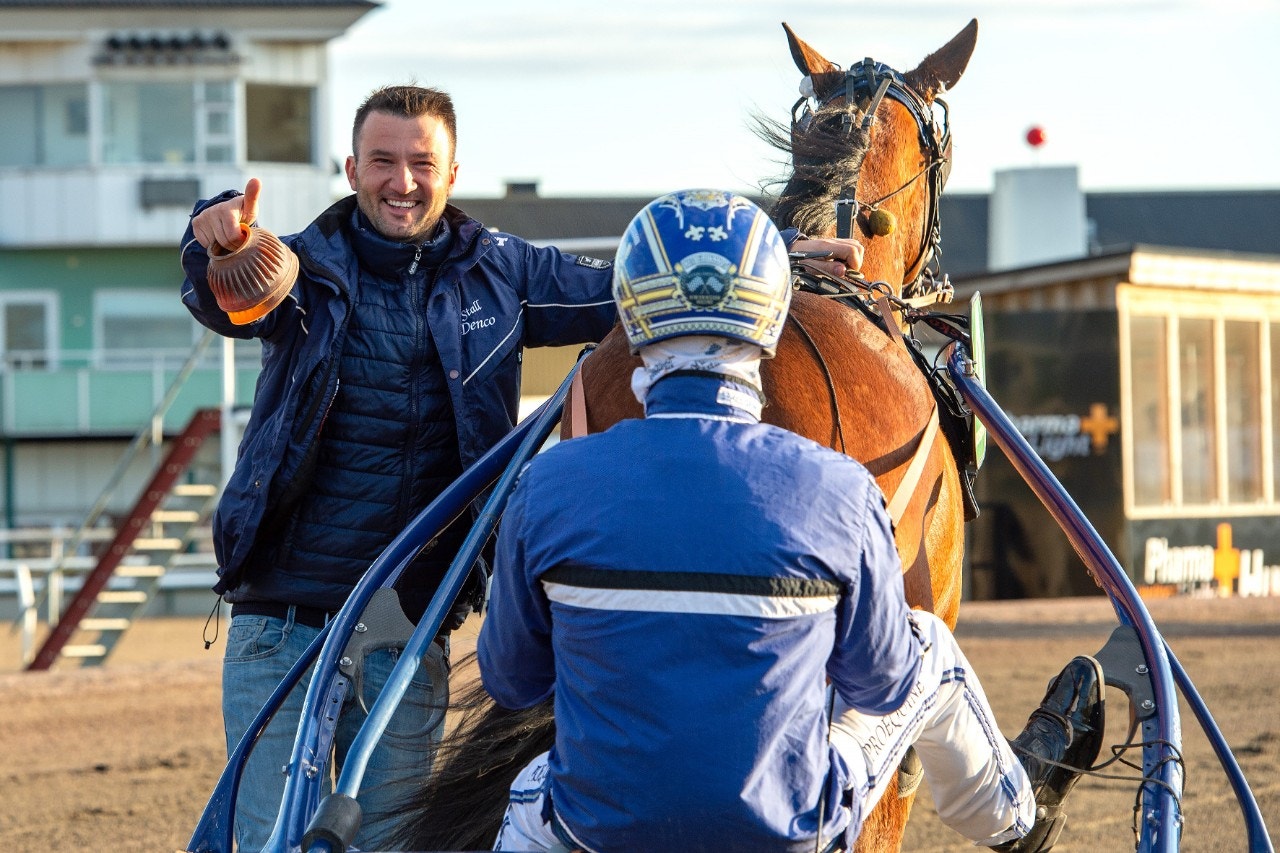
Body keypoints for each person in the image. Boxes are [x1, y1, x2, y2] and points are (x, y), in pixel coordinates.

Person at [181, 86, 862, 850]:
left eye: (420, 163)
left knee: (388, 844)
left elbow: (641, 284)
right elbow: (223, 294)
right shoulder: (301, 269)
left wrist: (771, 256)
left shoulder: (502, 271)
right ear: (351, 168)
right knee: (262, 838)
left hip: (410, 630)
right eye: (382, 161)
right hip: (282, 622)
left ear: (452, 172)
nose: (400, 181)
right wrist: (212, 233)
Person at [477, 189, 1106, 853]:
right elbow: (882, 680)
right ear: (773, 314)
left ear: (632, 319)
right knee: (930, 649)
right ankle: (1017, 817)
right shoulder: (840, 488)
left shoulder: (544, 485)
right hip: (791, 828)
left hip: (593, 828)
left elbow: (514, 680)